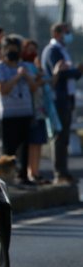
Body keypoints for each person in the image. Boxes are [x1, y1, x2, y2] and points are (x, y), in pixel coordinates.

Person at [0, 35, 37, 186]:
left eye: (15, 50)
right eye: (9, 50)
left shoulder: (24, 66)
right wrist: (18, 76)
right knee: (8, 149)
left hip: (25, 113)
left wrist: (27, 76)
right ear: (3, 51)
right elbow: (2, 89)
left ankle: (23, 176)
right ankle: (6, 179)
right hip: (8, 115)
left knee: (24, 148)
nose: (12, 53)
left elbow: (34, 88)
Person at [41, 22, 83, 184]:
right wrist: (77, 71)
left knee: (64, 136)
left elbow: (71, 74)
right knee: (60, 136)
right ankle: (60, 171)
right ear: (57, 33)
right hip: (58, 99)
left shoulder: (62, 50)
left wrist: (77, 72)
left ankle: (63, 170)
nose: (69, 34)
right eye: (66, 32)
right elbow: (60, 74)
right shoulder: (52, 51)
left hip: (67, 97)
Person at [21, 39, 50, 184]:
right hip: (30, 109)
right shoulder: (24, 66)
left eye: (34, 50)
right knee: (32, 142)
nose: (32, 53)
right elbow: (32, 86)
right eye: (29, 50)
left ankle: (36, 171)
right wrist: (40, 80)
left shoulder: (34, 66)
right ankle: (31, 171)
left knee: (38, 142)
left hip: (39, 108)